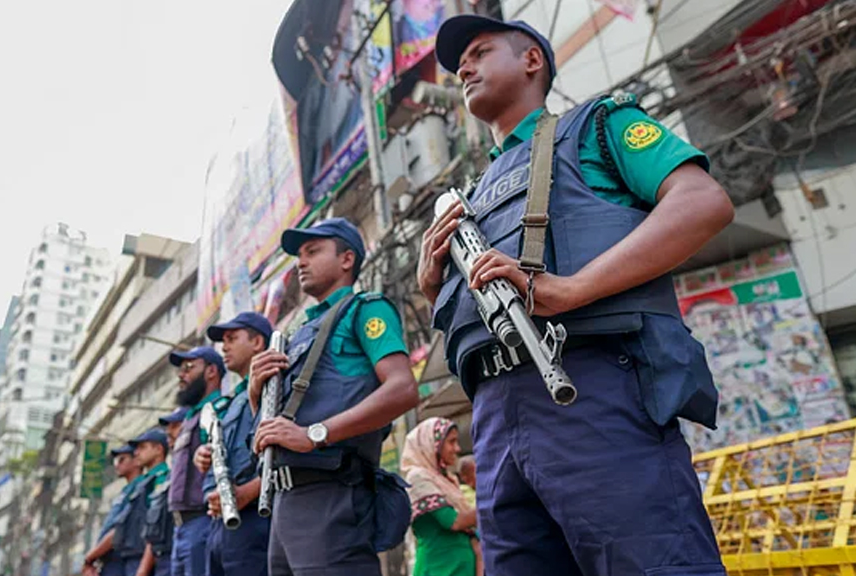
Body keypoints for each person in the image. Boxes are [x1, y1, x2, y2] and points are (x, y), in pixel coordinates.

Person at [418, 15, 734, 576]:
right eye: (459, 63)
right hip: (493, 419)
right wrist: (432, 282)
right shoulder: (470, 197)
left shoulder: (597, 127)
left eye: (480, 51)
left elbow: (702, 203)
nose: (462, 68)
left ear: (531, 60)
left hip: (590, 386)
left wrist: (569, 290)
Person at [250, 217, 419, 576]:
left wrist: (315, 434)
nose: (301, 262)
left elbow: (403, 388)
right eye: (299, 255)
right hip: (284, 501)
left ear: (346, 260)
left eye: (312, 251)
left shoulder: (366, 309)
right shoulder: (297, 332)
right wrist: (255, 393)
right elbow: (274, 429)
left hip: (332, 493)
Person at [192, 312, 274, 576]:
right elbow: (218, 462)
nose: (224, 347)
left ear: (257, 342)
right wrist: (204, 459)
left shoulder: (275, 386)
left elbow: (287, 453)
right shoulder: (231, 402)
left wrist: (250, 491)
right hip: (220, 527)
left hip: (257, 520)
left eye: (232, 338)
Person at [166, 346, 229, 576]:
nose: (182, 375)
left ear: (211, 371)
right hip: (181, 527)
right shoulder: (190, 416)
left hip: (203, 521)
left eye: (189, 368)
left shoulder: (216, 410)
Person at [402, 417, 480, 576]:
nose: (457, 448)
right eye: (451, 442)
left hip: (458, 568)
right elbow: (454, 521)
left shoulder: (447, 480)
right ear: (432, 443)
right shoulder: (418, 478)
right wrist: (494, 506)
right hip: (440, 568)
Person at [83, 445, 144, 576]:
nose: (117, 465)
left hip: (121, 560)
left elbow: (119, 530)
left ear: (136, 461)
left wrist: (90, 557)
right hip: (109, 561)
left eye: (122, 460)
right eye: (115, 461)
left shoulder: (139, 488)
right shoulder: (126, 490)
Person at [130, 428, 171, 576]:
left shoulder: (161, 480)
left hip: (151, 558)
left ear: (158, 449)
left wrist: (142, 569)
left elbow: (154, 527)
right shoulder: (145, 482)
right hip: (139, 556)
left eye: (142, 447)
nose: (136, 453)